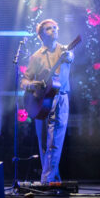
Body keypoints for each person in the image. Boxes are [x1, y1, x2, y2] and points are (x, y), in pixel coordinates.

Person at [20, 18, 74, 184]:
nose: (54, 30)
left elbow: (70, 57)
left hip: (59, 98)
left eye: (55, 28)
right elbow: (24, 80)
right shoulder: (36, 57)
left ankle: (46, 180)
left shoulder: (64, 51)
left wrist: (69, 55)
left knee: (55, 140)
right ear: (41, 35)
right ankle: (53, 178)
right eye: (49, 29)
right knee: (44, 141)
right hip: (40, 102)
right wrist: (31, 85)